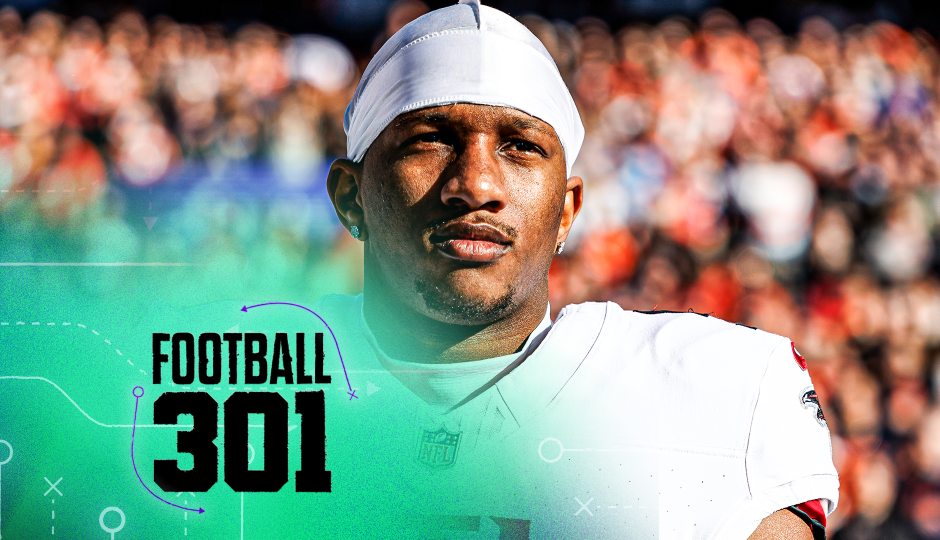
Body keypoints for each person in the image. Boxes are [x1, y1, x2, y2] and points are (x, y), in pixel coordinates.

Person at [316, 0, 839, 538]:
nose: (476, 185)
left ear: (566, 213)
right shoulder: (240, 382)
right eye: (431, 138)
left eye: (520, 147)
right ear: (351, 198)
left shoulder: (715, 386)